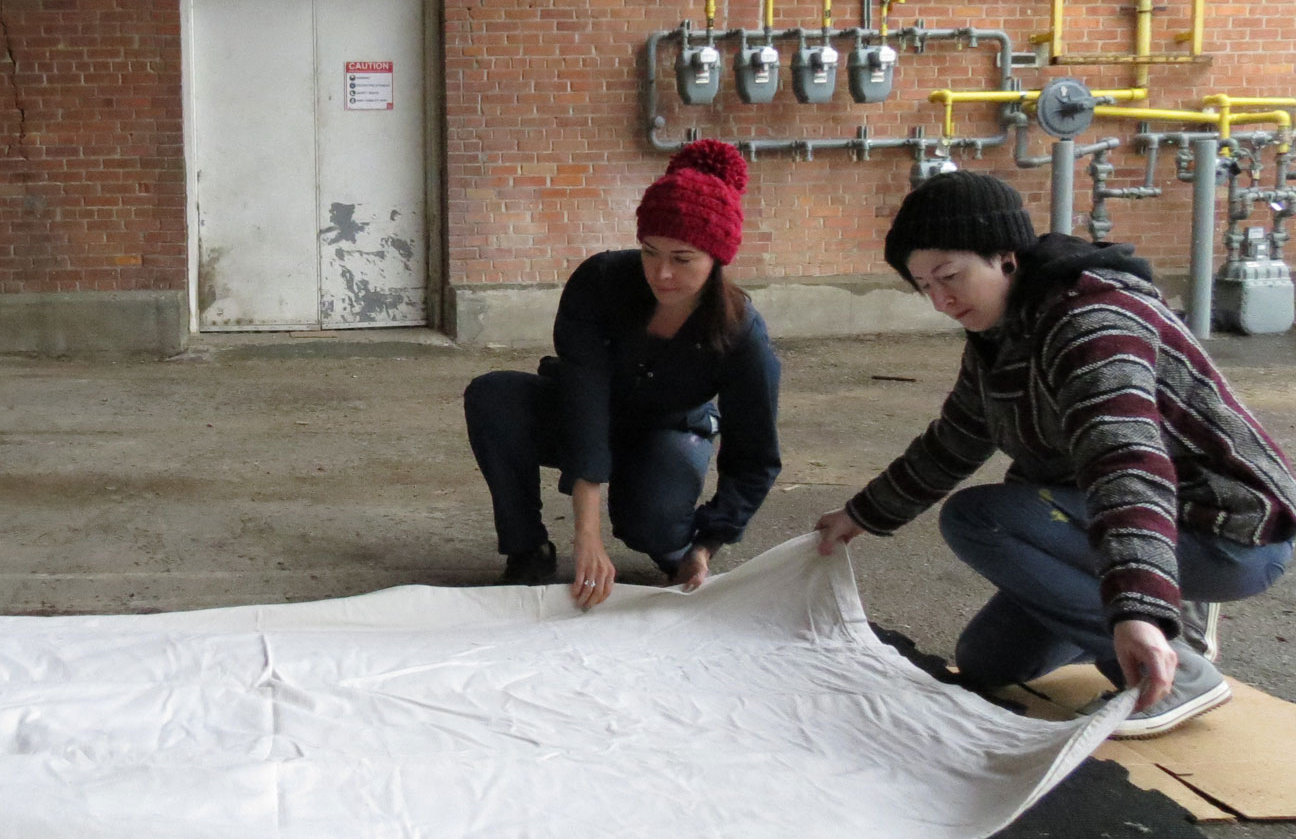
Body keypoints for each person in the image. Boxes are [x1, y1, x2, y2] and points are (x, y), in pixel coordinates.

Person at [815, 170, 1296, 736]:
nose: (941, 300)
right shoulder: (1000, 330)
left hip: (1224, 531)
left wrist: (1138, 607)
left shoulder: (1090, 321)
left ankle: (1178, 667)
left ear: (1006, 257)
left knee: (980, 519)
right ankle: (1127, 617)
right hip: (1120, 517)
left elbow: (1127, 464)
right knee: (986, 662)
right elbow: (958, 437)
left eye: (950, 276)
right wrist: (861, 515)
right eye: (924, 286)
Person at [463, 140, 782, 607]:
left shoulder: (742, 334)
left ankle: (672, 546)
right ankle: (527, 550)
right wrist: (585, 536)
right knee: (494, 395)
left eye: (682, 258)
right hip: (585, 416)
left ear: (717, 259)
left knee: (651, 524)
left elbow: (755, 458)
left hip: (665, 431)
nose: (662, 273)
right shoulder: (601, 282)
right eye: (650, 252)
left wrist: (707, 542)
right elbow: (584, 399)